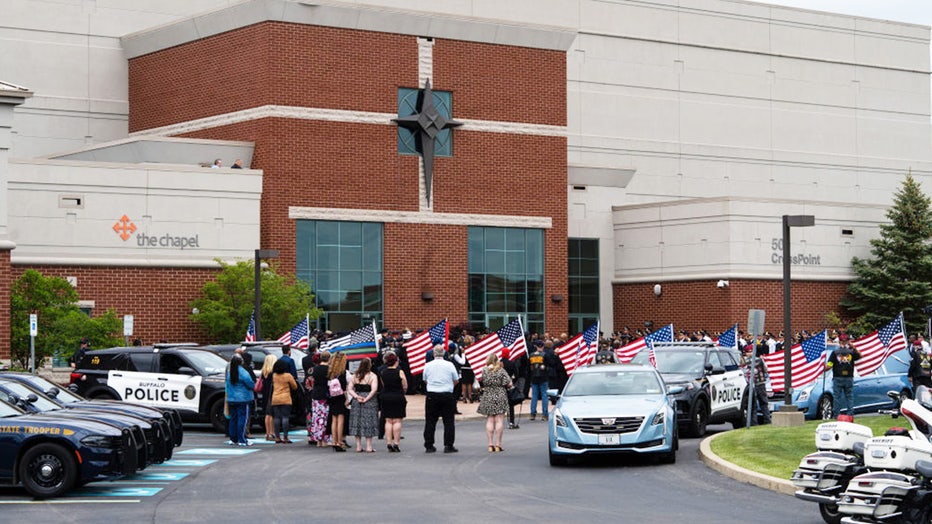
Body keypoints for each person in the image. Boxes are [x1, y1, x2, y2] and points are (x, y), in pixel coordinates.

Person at [422, 344, 459, 453]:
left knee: (430, 421)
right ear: (444, 353)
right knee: (448, 421)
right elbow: (456, 379)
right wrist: (449, 385)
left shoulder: (427, 365)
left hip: (432, 394)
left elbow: (425, 379)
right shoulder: (450, 365)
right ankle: (448, 445)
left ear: (433, 354)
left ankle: (429, 445)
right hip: (447, 394)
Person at [477, 353, 512, 453]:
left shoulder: (484, 370)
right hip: (500, 395)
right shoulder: (501, 370)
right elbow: (508, 383)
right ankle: (498, 444)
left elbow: (482, 381)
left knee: (490, 420)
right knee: (499, 420)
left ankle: (490, 444)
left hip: (488, 395)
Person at [348, 357, 379, 453]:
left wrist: (357, 397)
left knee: (356, 421)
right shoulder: (372, 376)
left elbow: (349, 389)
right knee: (369, 422)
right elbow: (374, 389)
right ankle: (369, 446)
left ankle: (358, 446)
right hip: (369, 400)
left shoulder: (355, 375)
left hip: (357, 400)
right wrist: (366, 398)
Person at [379, 351, 408, 452]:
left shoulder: (383, 372)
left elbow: (383, 385)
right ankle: (396, 442)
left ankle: (388, 442)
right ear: (396, 361)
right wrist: (402, 391)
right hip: (398, 396)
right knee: (397, 420)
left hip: (386, 396)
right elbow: (405, 385)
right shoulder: (400, 372)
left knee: (388, 420)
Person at [827, 334, 861, 417]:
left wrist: (822, 369)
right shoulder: (851, 352)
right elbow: (860, 356)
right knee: (849, 397)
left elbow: (829, 365)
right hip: (849, 377)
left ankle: (836, 415)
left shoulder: (835, 353)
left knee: (837, 397)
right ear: (847, 342)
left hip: (838, 377)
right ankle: (850, 414)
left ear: (839, 342)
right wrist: (854, 347)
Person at [225, 353, 255, 446]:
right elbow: (250, 384)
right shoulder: (243, 372)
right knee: (243, 419)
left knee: (233, 419)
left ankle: (233, 439)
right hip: (243, 399)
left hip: (231, 399)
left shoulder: (230, 372)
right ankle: (242, 439)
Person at [270, 359, 297, 443]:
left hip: (275, 398)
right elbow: (294, 386)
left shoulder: (273, 376)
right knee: (285, 417)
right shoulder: (288, 376)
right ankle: (285, 437)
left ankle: (277, 437)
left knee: (277, 418)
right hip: (286, 398)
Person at [742, 345, 771, 425]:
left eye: (751, 351)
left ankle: (767, 421)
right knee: (753, 405)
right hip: (751, 385)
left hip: (760, 384)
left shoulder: (757, 360)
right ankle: (754, 423)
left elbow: (765, 370)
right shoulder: (745, 361)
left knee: (763, 403)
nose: (749, 353)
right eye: (748, 352)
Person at [327, 352, 349, 452]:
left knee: (334, 419)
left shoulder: (331, 372)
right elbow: (344, 388)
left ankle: (334, 441)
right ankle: (340, 441)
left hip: (332, 396)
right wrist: (347, 399)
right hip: (340, 396)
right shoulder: (342, 372)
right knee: (340, 419)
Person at [309, 351, 331, 447]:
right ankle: (325, 439)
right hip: (325, 394)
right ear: (329, 358)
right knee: (325, 417)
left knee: (317, 417)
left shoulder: (315, 369)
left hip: (316, 394)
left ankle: (318, 439)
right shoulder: (329, 370)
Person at [528, 340, 550, 421]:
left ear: (536, 346)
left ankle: (532, 414)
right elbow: (549, 365)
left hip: (534, 378)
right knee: (544, 396)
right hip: (543, 378)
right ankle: (544, 415)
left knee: (534, 396)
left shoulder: (531, 355)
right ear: (543, 346)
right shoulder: (545, 355)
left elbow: (529, 367)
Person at [259, 354, 278, 441]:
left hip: (265, 394)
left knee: (267, 414)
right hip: (272, 394)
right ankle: (272, 433)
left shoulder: (264, 372)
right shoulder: (273, 373)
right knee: (272, 414)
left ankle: (267, 432)